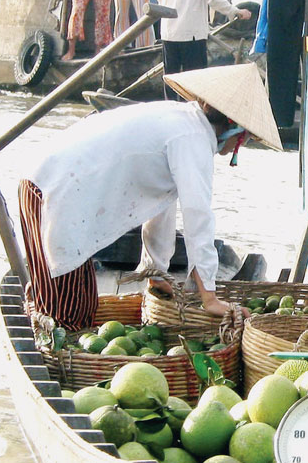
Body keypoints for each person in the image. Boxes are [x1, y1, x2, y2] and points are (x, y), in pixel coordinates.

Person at [17, 63, 282, 330]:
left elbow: (159, 206)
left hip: (47, 183)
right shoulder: (193, 138)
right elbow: (198, 218)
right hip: (55, 194)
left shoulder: (181, 120)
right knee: (68, 314)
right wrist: (209, 297)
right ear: (236, 131)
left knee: (74, 304)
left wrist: (156, 271)